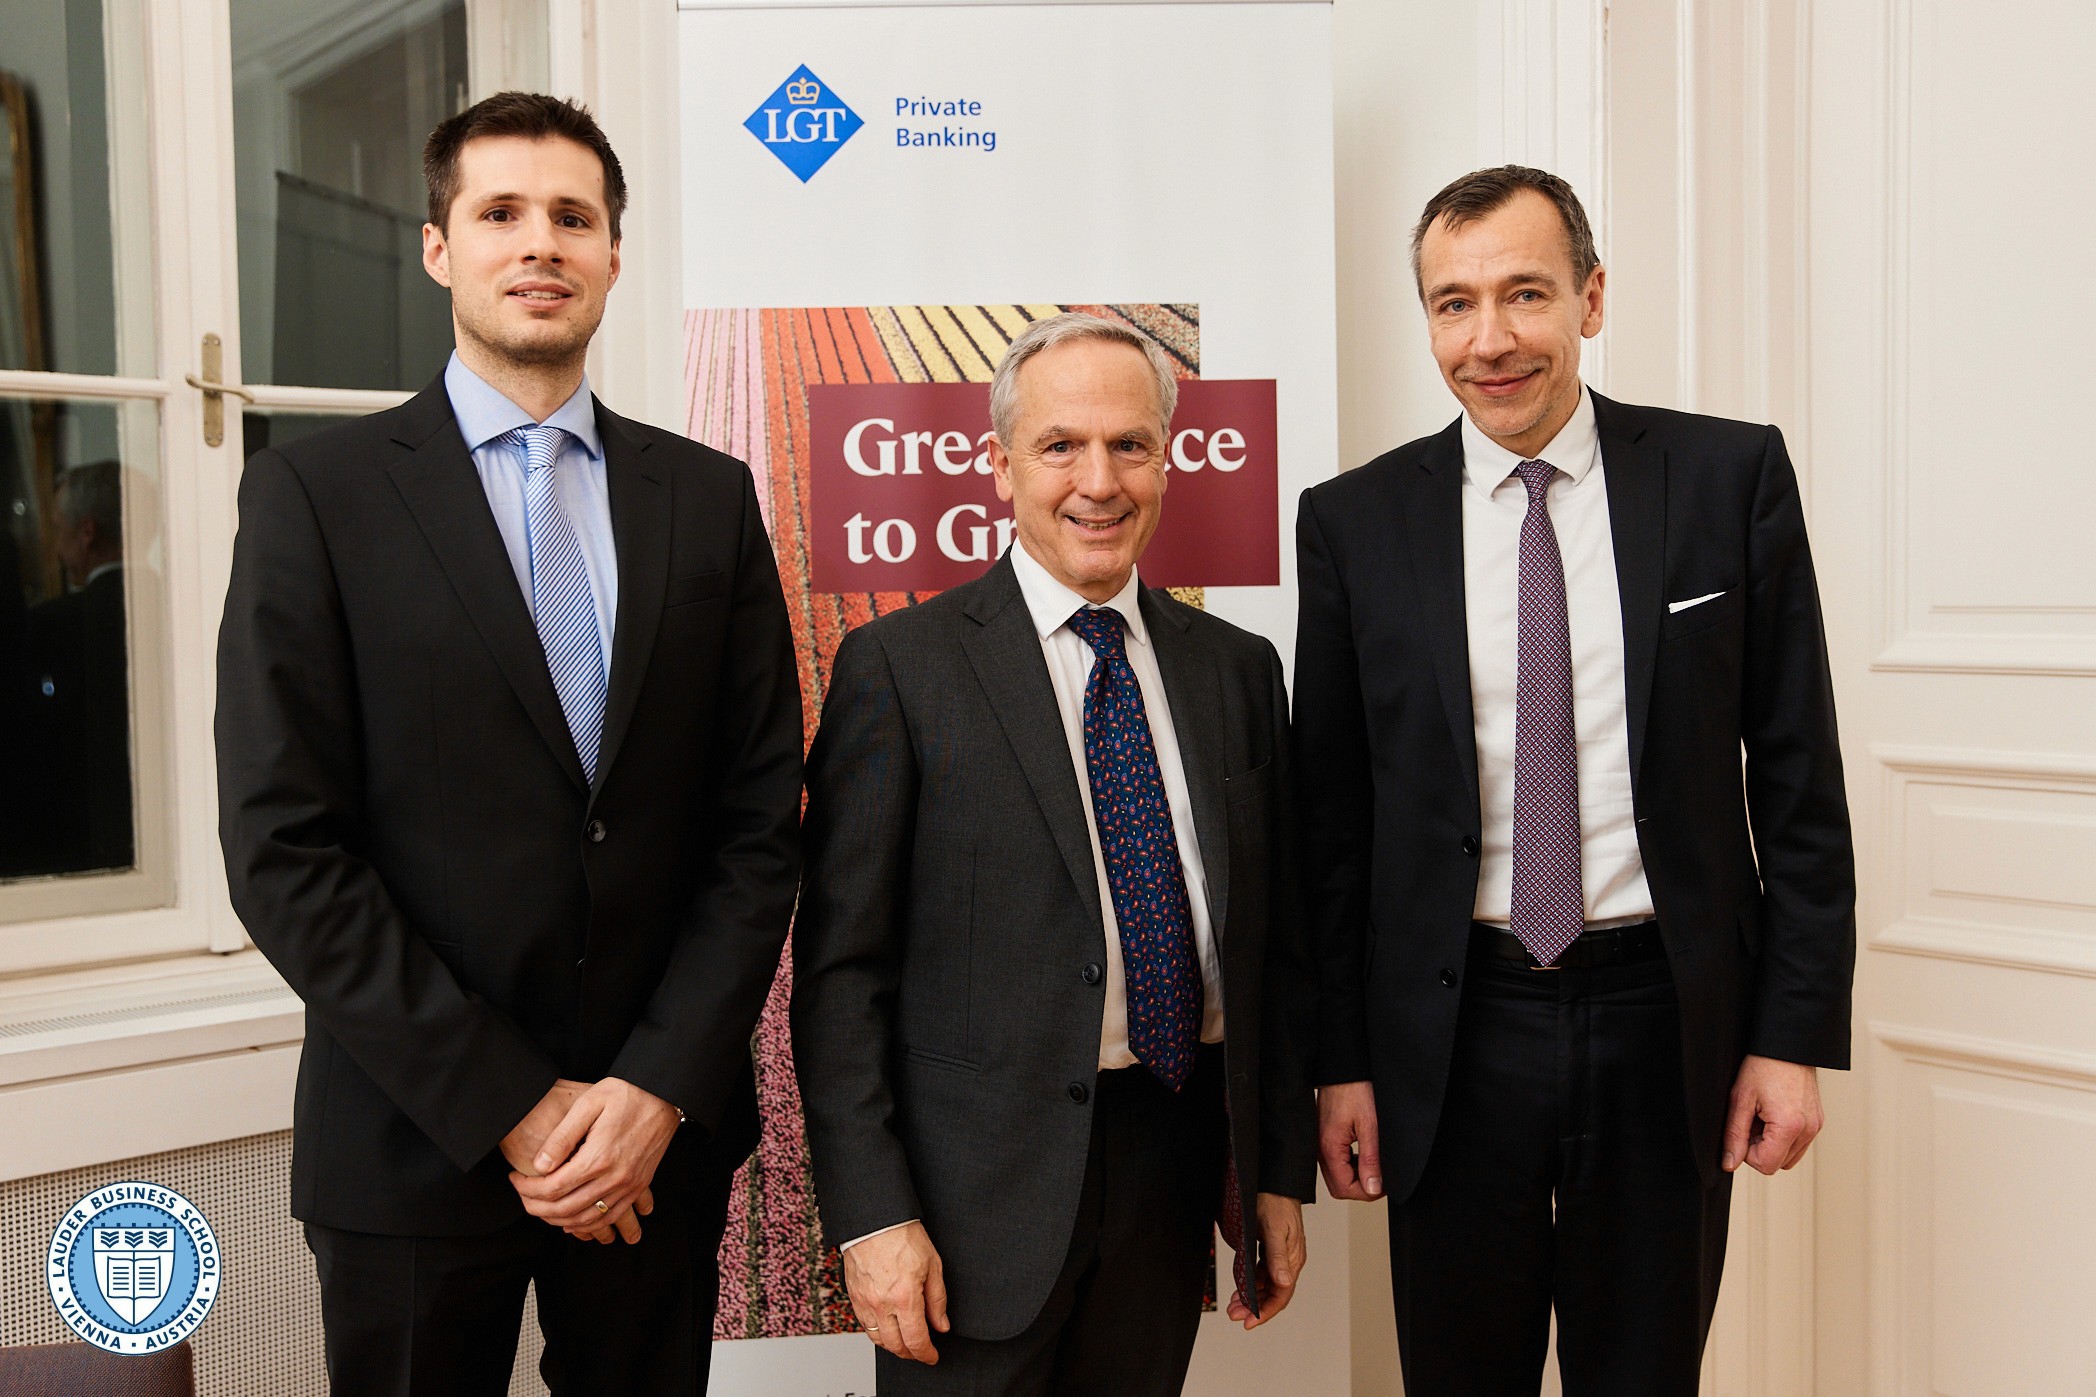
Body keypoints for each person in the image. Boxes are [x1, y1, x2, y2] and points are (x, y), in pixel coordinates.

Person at [215, 92, 803, 1395]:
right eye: (500, 213)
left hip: (656, 1147)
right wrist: (519, 1110)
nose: (539, 242)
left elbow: (759, 825)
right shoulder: (317, 496)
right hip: (414, 1142)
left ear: (609, 255)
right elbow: (281, 845)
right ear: (438, 249)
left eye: (572, 217)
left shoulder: (706, 500)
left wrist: (651, 1091)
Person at [1295, 166, 1855, 1395]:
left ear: (1590, 299)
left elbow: (1798, 776)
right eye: (1451, 303)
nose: (1486, 340)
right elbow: (1331, 824)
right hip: (1450, 1027)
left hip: (1668, 1018)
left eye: (1523, 295)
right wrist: (1338, 1059)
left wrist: (1789, 1034)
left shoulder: (1725, 478)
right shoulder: (1351, 520)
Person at [793, 312, 1316, 1396]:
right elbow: (841, 976)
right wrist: (873, 1214)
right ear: (998, 466)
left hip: (1167, 1177)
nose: (1098, 479)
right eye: (1059, 445)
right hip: (966, 1212)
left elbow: (1272, 948)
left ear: (1166, 459)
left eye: (1128, 444)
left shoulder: (1237, 672)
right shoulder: (898, 669)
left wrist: (1270, 1172)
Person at [17, 460, 132, 875]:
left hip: (69, 834)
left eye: (59, 526)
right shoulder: (179, 609)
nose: (57, 546)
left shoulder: (49, 626)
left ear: (86, 532)